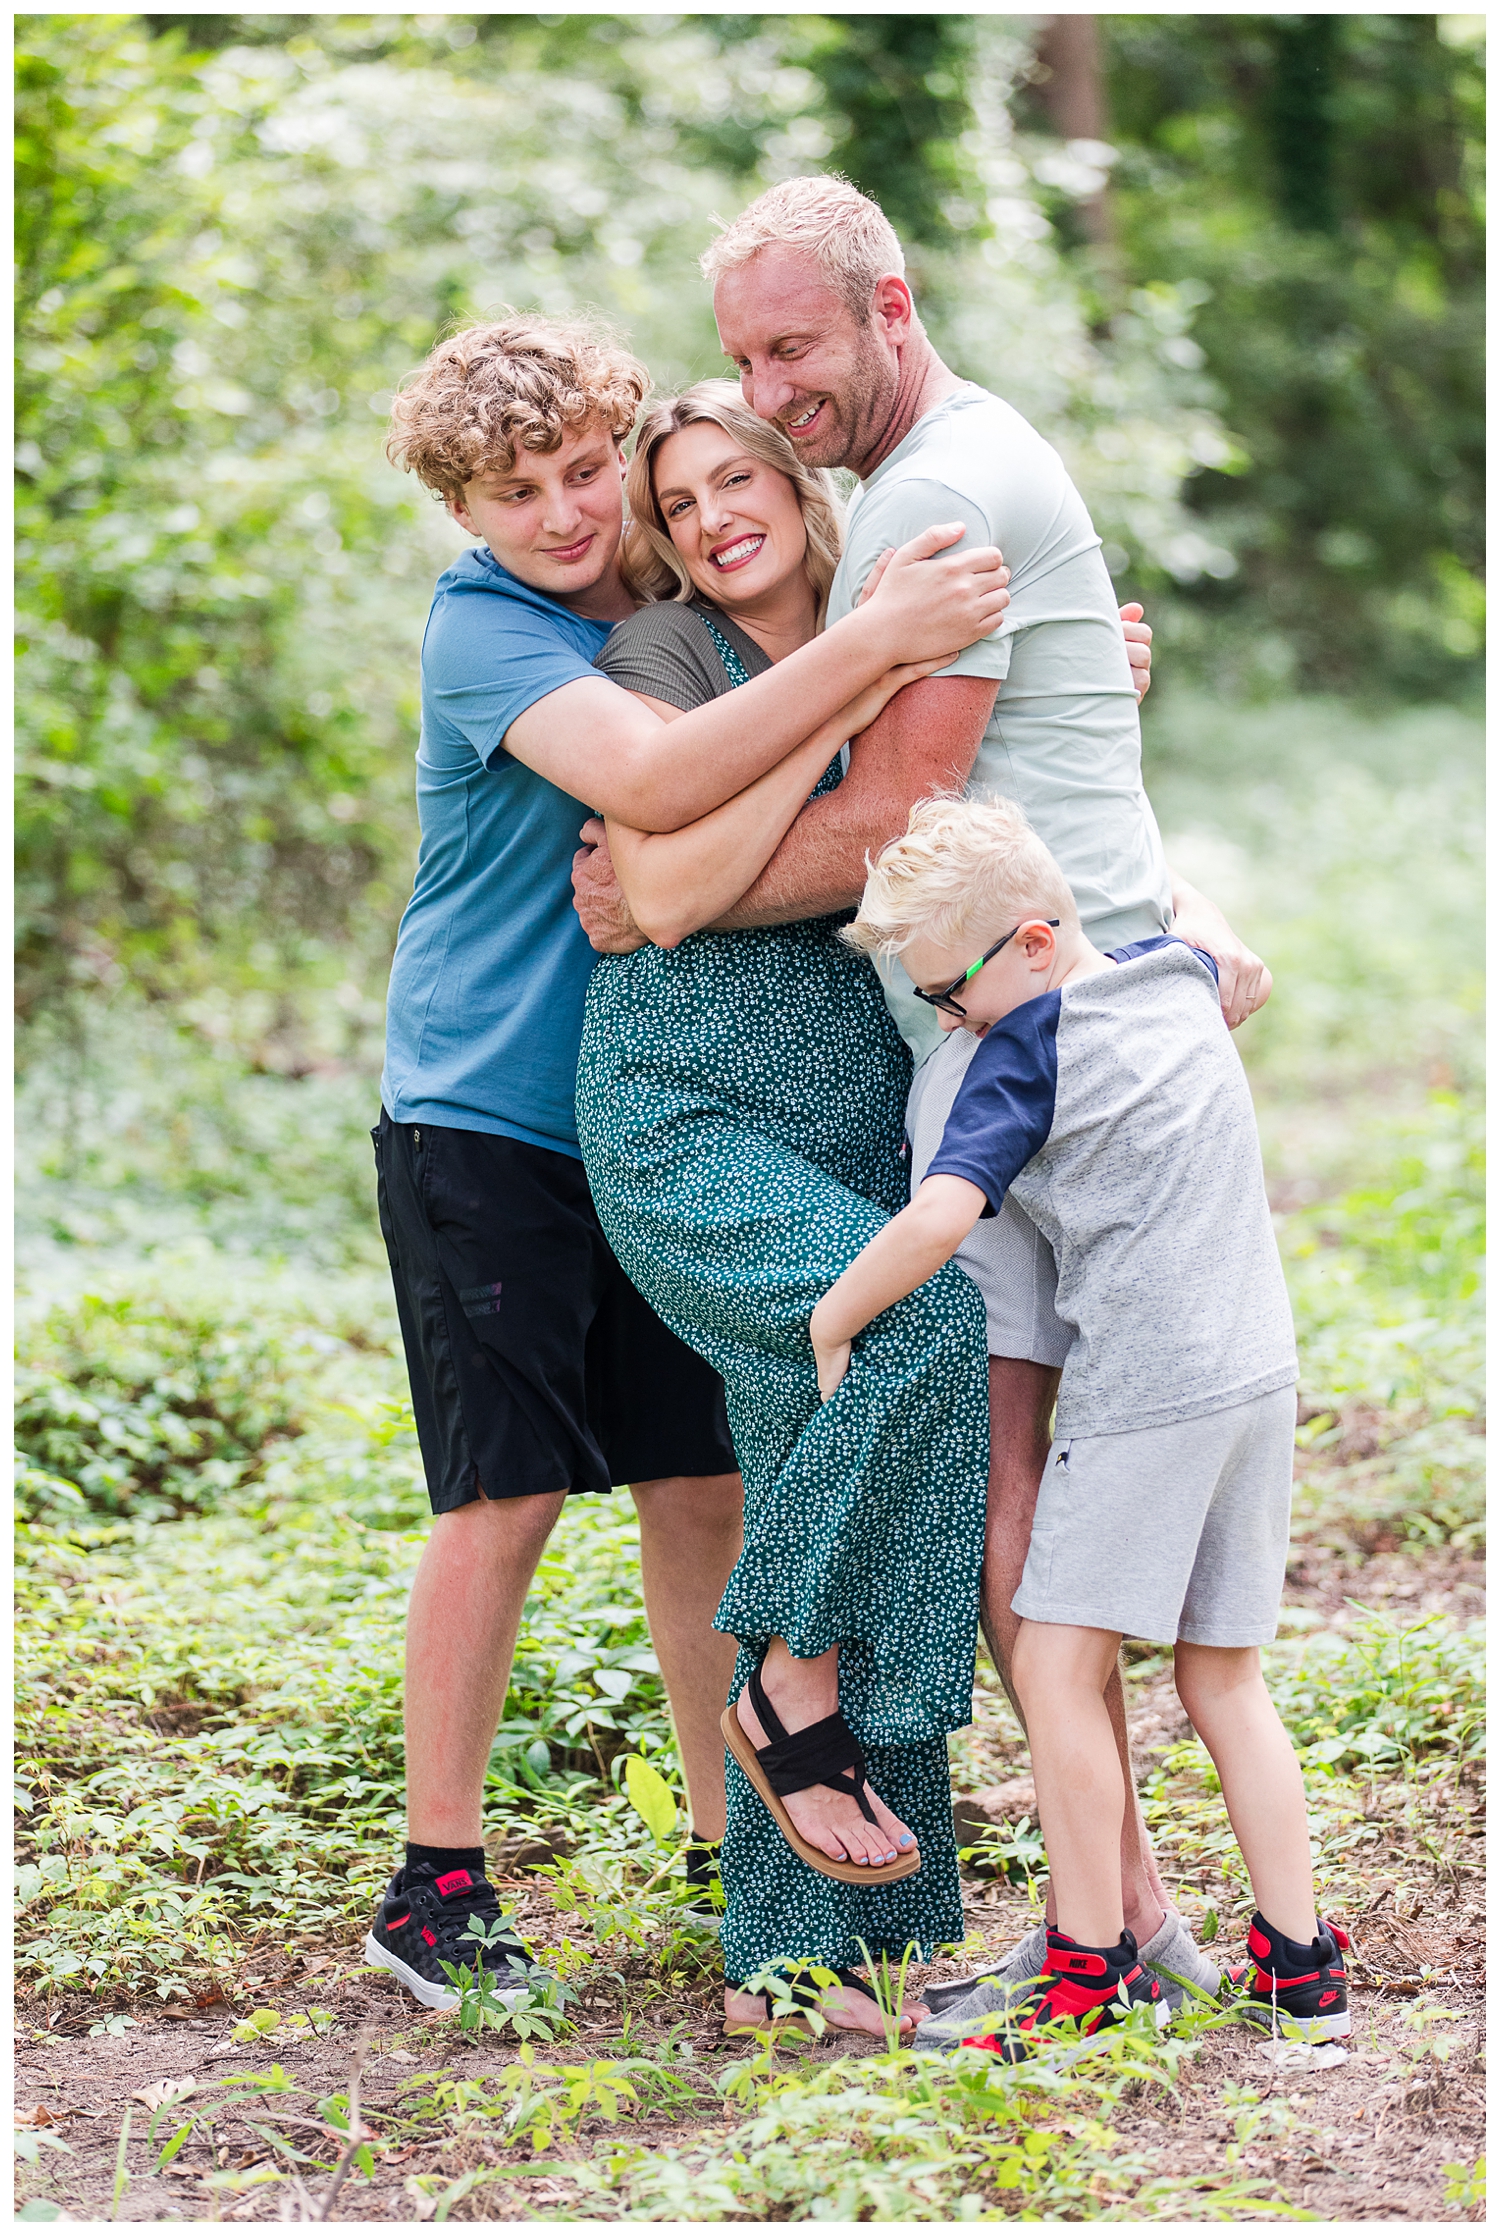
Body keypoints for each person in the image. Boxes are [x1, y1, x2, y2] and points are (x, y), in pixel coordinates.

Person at [572, 173, 1261, 2011]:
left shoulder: (918, 519)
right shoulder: (741, 627)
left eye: (785, 366)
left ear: (890, 311)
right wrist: (673, 871)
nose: (756, 423)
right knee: (954, 1427)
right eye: (728, 387)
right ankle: (1031, 1864)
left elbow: (934, 819)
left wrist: (1170, 912)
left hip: (977, 1075)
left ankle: (1025, 1933)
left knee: (990, 1487)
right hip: (818, 1098)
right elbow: (749, 815)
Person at [361, 313, 1014, 2015]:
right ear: (468, 511)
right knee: (502, 1490)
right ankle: (437, 1879)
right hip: (491, 1107)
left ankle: (746, 1851)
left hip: (695, 1088)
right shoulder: (494, 630)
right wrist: (878, 651)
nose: (570, 511)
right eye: (521, 493)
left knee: (701, 1486)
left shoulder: (653, 583)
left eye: (586, 468)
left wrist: (1048, 657)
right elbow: (657, 786)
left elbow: (774, 603)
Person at [811, 794, 1349, 2057]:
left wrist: (835, 1318)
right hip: (1257, 1376)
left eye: (952, 993)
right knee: (1224, 1676)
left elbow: (942, 1219)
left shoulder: (1025, 1047)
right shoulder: (1175, 977)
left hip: (1146, 1392)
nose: (952, 1021)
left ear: (1037, 944)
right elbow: (1209, 930)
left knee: (1056, 1671)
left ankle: (1087, 1962)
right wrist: (1196, 904)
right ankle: (1302, 1964)